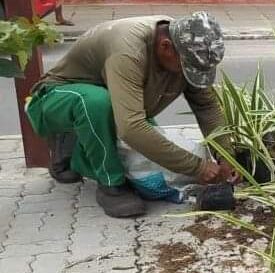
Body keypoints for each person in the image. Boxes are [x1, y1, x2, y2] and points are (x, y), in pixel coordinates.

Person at [26, 12, 237, 218]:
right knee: (99, 103)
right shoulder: (129, 50)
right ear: (165, 47)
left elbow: (207, 106)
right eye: (188, 67)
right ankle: (111, 184)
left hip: (114, 102)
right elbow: (131, 128)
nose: (189, 73)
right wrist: (197, 167)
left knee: (142, 154)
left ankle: (74, 151)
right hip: (57, 97)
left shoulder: (186, 45)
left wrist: (225, 156)